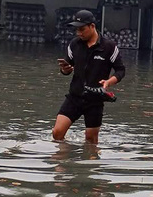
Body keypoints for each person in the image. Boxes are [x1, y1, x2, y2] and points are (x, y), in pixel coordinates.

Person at [52, 10, 125, 144]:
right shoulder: (74, 44)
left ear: (92, 26)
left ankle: (89, 162)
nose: (79, 33)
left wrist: (109, 82)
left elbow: (121, 71)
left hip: (95, 100)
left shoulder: (109, 47)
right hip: (75, 96)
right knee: (57, 133)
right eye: (77, 30)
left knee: (91, 140)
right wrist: (64, 69)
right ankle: (64, 158)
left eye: (82, 29)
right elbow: (67, 68)